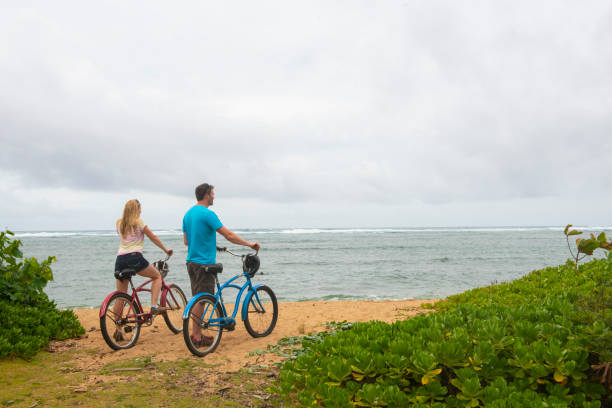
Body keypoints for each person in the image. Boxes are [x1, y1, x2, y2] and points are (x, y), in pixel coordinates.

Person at [182, 183, 260, 346]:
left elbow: (187, 241)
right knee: (202, 300)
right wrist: (249, 244)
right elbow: (229, 235)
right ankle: (196, 336)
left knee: (197, 299)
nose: (214, 196)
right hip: (204, 263)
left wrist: (210, 245)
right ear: (206, 195)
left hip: (191, 262)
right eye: (212, 193)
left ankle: (197, 333)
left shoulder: (188, 215)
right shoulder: (208, 214)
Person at [114, 199, 174, 324]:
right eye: (140, 209)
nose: (141, 211)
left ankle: (118, 328)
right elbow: (153, 237)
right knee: (157, 276)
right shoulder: (138, 222)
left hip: (120, 260)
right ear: (136, 209)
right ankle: (153, 307)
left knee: (120, 296)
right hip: (134, 257)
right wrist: (165, 250)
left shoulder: (119, 223)